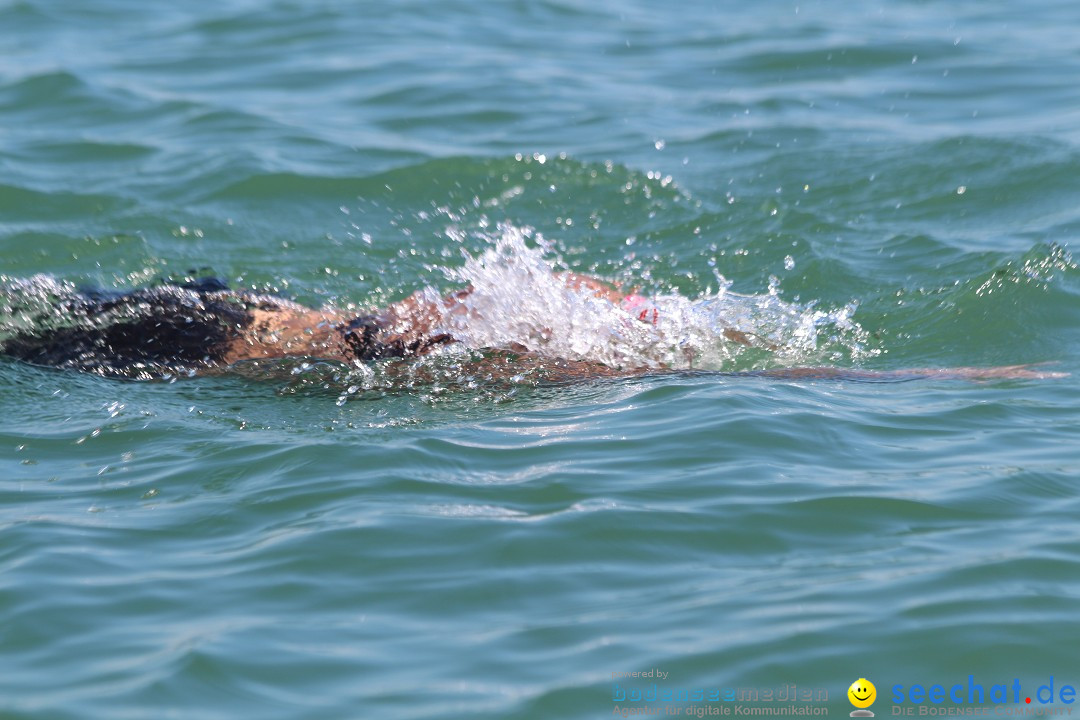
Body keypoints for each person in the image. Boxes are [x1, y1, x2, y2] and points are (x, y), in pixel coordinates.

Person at [0, 272, 1063, 382]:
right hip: (199, 344)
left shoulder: (582, 307)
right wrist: (966, 379)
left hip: (230, 315)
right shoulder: (559, 348)